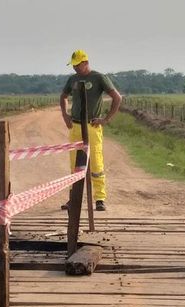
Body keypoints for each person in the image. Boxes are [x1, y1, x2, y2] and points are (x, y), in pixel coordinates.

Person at [60, 49, 122, 211]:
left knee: (96, 162)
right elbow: (63, 97)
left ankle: (100, 198)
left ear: (86, 62)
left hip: (92, 126)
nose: (75, 68)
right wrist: (65, 115)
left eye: (77, 65)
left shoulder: (99, 77)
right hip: (75, 126)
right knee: (74, 164)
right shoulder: (72, 79)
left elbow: (117, 97)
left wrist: (106, 119)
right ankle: (73, 198)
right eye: (73, 65)